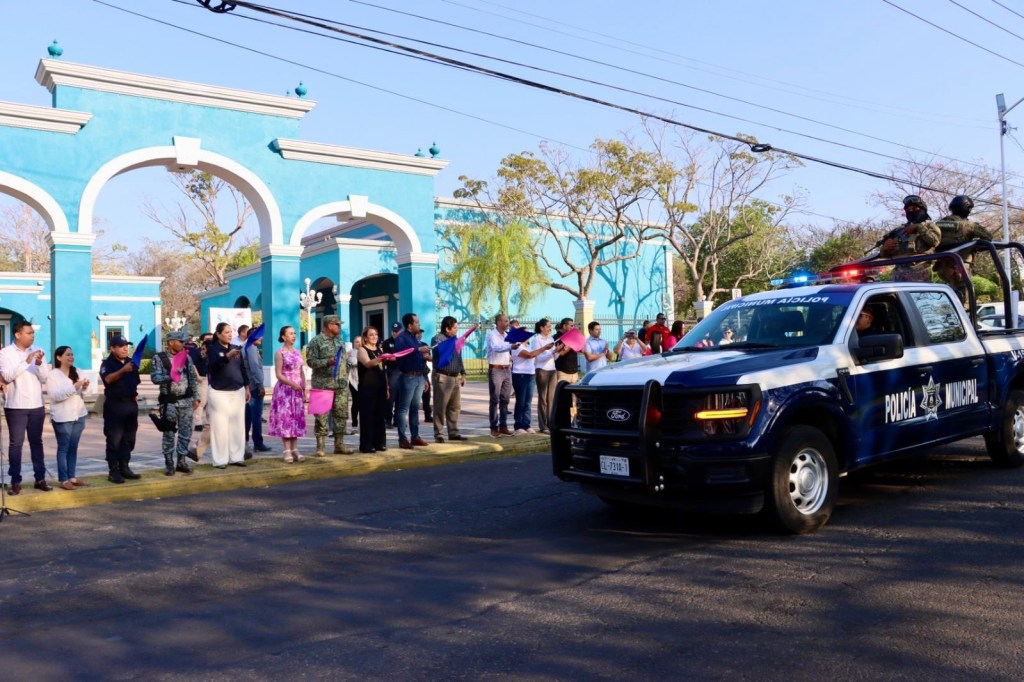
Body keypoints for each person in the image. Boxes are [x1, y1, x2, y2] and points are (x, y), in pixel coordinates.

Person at [0, 321, 52, 494]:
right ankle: (15, 481)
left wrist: (38, 364)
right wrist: (26, 361)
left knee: (37, 442)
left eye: (33, 333)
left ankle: (40, 478)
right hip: (16, 406)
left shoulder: (38, 350)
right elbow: (7, 376)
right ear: (18, 334)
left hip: (36, 405)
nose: (32, 336)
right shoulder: (5, 353)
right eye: (29, 333)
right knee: (16, 444)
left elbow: (44, 378)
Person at [150, 330, 200, 476]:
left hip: (186, 402)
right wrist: (170, 376)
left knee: (186, 433)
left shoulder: (186, 357)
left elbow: (192, 378)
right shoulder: (159, 358)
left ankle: (181, 461)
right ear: (171, 342)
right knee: (169, 433)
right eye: (181, 341)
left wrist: (196, 397)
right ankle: (169, 463)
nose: (183, 344)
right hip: (169, 402)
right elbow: (155, 378)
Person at [205, 321, 251, 468]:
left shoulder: (235, 348)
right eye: (226, 332)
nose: (230, 335)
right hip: (219, 392)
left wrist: (247, 387)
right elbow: (213, 366)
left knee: (237, 425)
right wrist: (226, 357)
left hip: (237, 390)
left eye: (231, 332)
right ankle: (220, 460)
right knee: (220, 426)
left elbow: (243, 368)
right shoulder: (212, 349)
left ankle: (236, 457)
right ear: (218, 334)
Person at [306, 314, 353, 456]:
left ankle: (339, 444)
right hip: (323, 384)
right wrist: (327, 362)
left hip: (340, 384)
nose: (339, 327)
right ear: (329, 325)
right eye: (337, 324)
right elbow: (310, 362)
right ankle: (320, 447)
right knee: (321, 416)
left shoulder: (340, 341)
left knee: (341, 415)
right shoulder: (316, 341)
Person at [933, 195, 993, 300]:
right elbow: (988, 237)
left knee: (952, 294)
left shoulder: (938, 224)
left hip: (942, 268)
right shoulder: (968, 225)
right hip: (960, 267)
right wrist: (974, 244)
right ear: (967, 209)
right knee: (965, 298)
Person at [99, 335, 142, 483]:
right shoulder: (107, 363)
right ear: (112, 348)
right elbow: (108, 379)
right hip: (115, 405)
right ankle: (113, 471)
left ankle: (125, 467)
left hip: (130, 404)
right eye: (121, 346)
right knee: (114, 439)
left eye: (126, 346)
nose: (125, 348)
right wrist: (123, 370)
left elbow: (136, 381)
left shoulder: (131, 362)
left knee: (129, 438)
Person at [47, 345, 89, 490]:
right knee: (63, 448)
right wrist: (74, 386)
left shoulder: (78, 371)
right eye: (67, 355)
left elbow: (86, 393)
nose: (71, 357)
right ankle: (64, 479)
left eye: (72, 354)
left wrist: (85, 387)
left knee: (73, 447)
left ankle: (72, 477)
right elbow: (55, 396)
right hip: (62, 417)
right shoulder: (53, 375)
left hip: (79, 415)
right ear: (59, 357)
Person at [878, 195, 942, 282]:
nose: (911, 211)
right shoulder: (900, 230)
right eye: (908, 210)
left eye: (914, 208)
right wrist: (885, 248)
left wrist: (919, 227)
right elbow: (885, 255)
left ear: (922, 210)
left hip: (920, 275)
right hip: (897, 276)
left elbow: (935, 241)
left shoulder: (930, 226)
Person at [268, 325, 307, 462]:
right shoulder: (280, 353)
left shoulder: (298, 352)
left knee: (296, 418)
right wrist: (292, 384)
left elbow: (301, 371)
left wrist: (304, 387)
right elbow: (278, 375)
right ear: (283, 337)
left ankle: (295, 449)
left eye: (294, 333)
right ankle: (286, 450)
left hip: (297, 391)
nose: (294, 336)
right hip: (284, 390)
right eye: (290, 333)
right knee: (286, 419)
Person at [394, 312, 432, 449]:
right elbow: (401, 354)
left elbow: (419, 357)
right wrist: (418, 349)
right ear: (410, 325)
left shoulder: (415, 338)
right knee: (403, 408)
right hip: (408, 376)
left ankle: (415, 436)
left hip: (419, 376)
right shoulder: (402, 338)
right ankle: (402, 438)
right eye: (417, 323)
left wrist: (424, 378)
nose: (419, 325)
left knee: (415, 408)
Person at [431, 316, 468, 443]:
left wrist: (463, 373)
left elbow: (459, 357)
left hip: (454, 377)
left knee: (455, 406)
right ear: (447, 329)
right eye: (455, 328)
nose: (457, 330)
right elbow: (441, 351)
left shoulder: (455, 340)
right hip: (442, 376)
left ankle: (453, 432)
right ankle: (439, 434)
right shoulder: (437, 339)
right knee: (440, 406)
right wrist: (454, 343)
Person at [486, 313, 521, 437]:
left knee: (505, 399)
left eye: (507, 321)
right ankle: (493, 427)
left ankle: (503, 426)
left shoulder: (507, 335)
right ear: (499, 322)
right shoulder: (491, 335)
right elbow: (497, 348)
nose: (507, 324)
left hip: (507, 369)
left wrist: (516, 344)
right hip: (496, 369)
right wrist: (510, 346)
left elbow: (510, 349)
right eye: (505, 321)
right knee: (494, 399)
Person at [357, 325, 389, 453]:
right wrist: (380, 358)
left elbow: (383, 370)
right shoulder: (362, 350)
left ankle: (379, 443)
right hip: (367, 388)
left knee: (380, 415)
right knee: (368, 416)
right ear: (365, 337)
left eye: (376, 334)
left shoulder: (380, 350)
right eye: (371, 335)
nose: (374, 337)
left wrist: (387, 387)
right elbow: (367, 363)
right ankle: (367, 445)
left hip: (380, 387)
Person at [187, 331, 213, 463]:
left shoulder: (215, 354)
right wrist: (197, 376)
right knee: (201, 402)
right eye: (207, 339)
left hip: (215, 386)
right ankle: (197, 422)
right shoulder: (197, 352)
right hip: (203, 380)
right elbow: (192, 365)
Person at [243, 329, 270, 455]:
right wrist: (260, 386)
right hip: (254, 386)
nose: (261, 338)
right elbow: (255, 368)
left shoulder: (246, 347)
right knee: (256, 416)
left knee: (248, 416)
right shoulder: (251, 349)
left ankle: (244, 441)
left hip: (249, 386)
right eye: (259, 336)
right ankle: (258, 443)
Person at [532, 319, 558, 434]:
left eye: (550, 326)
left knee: (551, 399)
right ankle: (543, 425)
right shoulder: (537, 339)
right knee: (543, 399)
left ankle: (551, 423)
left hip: (552, 370)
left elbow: (554, 357)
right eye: (547, 326)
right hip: (542, 370)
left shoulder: (551, 339)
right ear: (541, 327)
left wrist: (557, 351)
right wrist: (551, 352)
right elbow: (539, 357)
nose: (550, 328)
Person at [381, 322, 402, 428]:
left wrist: (396, 358)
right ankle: (388, 420)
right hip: (391, 371)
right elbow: (385, 357)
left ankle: (398, 420)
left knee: (400, 398)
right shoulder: (386, 343)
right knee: (390, 398)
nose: (395, 333)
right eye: (393, 331)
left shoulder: (403, 342)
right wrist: (395, 358)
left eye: (397, 331)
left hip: (402, 371)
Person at [553, 318, 579, 386]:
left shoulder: (572, 336)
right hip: (563, 372)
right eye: (571, 326)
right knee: (563, 392)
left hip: (574, 372)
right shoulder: (556, 338)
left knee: (575, 392)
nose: (573, 328)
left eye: (573, 326)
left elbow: (580, 349)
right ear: (564, 326)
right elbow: (559, 353)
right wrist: (570, 343)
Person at [348, 335, 362, 432]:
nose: (359, 343)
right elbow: (353, 362)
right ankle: (354, 423)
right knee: (356, 402)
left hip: (364, 381)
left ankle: (364, 424)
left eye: (360, 341)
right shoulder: (350, 352)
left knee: (364, 403)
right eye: (357, 342)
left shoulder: (366, 351)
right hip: (353, 381)